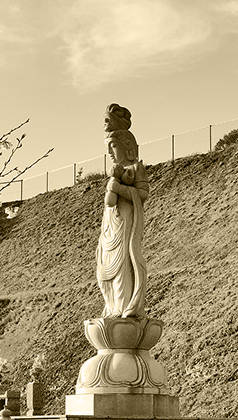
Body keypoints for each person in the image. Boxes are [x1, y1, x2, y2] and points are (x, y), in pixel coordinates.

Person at [96, 103, 150, 319]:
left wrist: (120, 187)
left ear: (128, 145)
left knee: (123, 263)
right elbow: (110, 202)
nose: (110, 151)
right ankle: (111, 306)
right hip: (111, 223)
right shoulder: (115, 174)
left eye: (114, 145)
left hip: (127, 222)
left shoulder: (136, 168)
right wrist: (113, 182)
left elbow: (143, 193)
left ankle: (124, 305)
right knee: (105, 269)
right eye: (108, 146)